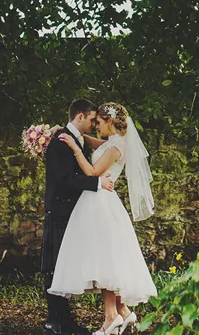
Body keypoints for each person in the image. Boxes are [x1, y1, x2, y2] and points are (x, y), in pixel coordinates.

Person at [48, 102, 157, 335]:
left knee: (104, 259)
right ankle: (123, 312)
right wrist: (68, 132)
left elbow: (92, 172)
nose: (95, 126)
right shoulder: (113, 143)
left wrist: (75, 149)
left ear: (109, 121)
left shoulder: (116, 147)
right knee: (106, 257)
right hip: (99, 202)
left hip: (100, 203)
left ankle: (111, 319)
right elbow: (91, 142)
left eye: (98, 122)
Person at [42, 98, 115, 335]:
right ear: (80, 117)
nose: (95, 124)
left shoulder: (76, 139)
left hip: (72, 211)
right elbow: (65, 179)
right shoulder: (61, 142)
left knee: (67, 265)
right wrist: (97, 183)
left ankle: (65, 319)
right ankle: (55, 321)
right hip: (60, 210)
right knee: (54, 265)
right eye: (92, 119)